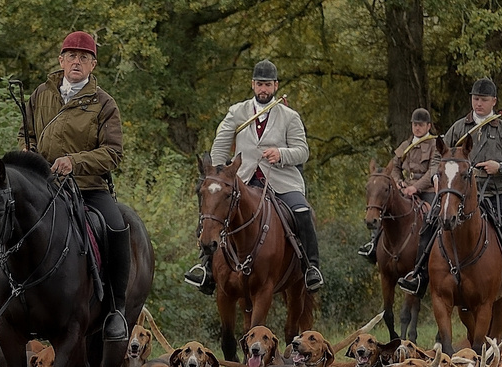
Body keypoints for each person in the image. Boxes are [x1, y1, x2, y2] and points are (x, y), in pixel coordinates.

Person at [0, 30, 133, 341]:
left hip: (88, 186)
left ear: (93, 65)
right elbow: (27, 135)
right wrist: (28, 152)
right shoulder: (40, 94)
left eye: (84, 58)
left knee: (117, 226)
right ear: (61, 60)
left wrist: (74, 161)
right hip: (44, 185)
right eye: (71, 56)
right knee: (2, 220)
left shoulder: (105, 104)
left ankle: (115, 310)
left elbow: (113, 152)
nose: (77, 62)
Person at [183, 59, 325, 293]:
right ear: (252, 85)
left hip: (281, 180)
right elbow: (220, 144)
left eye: (268, 85)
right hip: (244, 179)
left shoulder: (290, 116)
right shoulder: (236, 112)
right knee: (214, 211)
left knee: (302, 211)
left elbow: (303, 151)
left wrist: (281, 153)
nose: (263, 89)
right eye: (260, 84)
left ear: (276, 86)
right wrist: (220, 173)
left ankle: (311, 267)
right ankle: (206, 268)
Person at [396, 78, 502, 308]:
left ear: (494, 101)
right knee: (430, 223)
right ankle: (419, 276)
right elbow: (438, 155)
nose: (478, 103)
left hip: (494, 190)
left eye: (483, 99)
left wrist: (500, 167)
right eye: (475, 99)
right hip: (458, 191)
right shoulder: (459, 127)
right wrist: (435, 176)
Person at [359, 108, 437, 259]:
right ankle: (373, 244)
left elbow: (432, 171)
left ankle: (434, 250)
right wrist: (399, 182)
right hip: (405, 187)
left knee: (434, 216)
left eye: (421, 125)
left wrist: (415, 187)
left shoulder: (435, 145)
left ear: (428, 126)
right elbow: (394, 167)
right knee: (384, 205)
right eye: (415, 124)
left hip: (427, 189)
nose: (417, 127)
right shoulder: (405, 145)